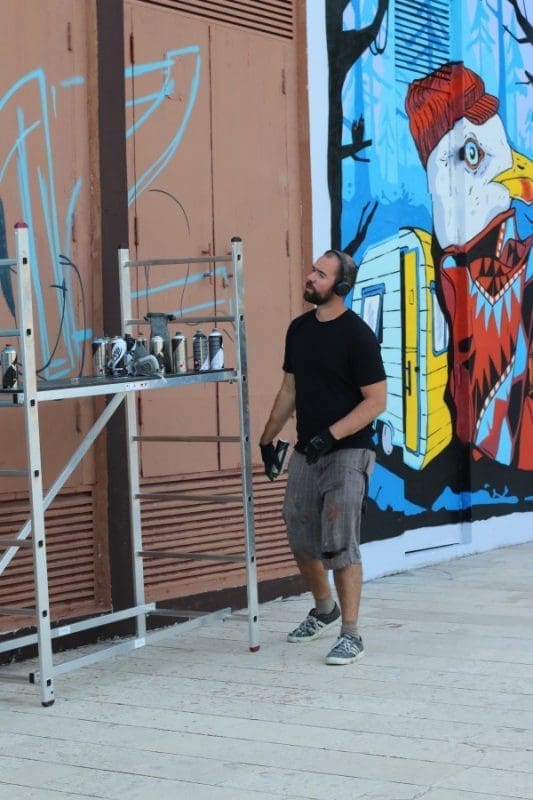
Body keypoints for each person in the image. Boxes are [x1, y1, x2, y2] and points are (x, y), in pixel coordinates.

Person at [260, 249, 387, 665]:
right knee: (299, 533)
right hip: (306, 453)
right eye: (312, 270)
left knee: (340, 541)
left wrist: (330, 435)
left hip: (349, 451)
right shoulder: (299, 330)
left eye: (321, 274)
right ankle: (324, 608)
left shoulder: (357, 336)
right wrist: (267, 439)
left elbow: (376, 401)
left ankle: (351, 634)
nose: (310, 277)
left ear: (341, 286)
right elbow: (289, 390)